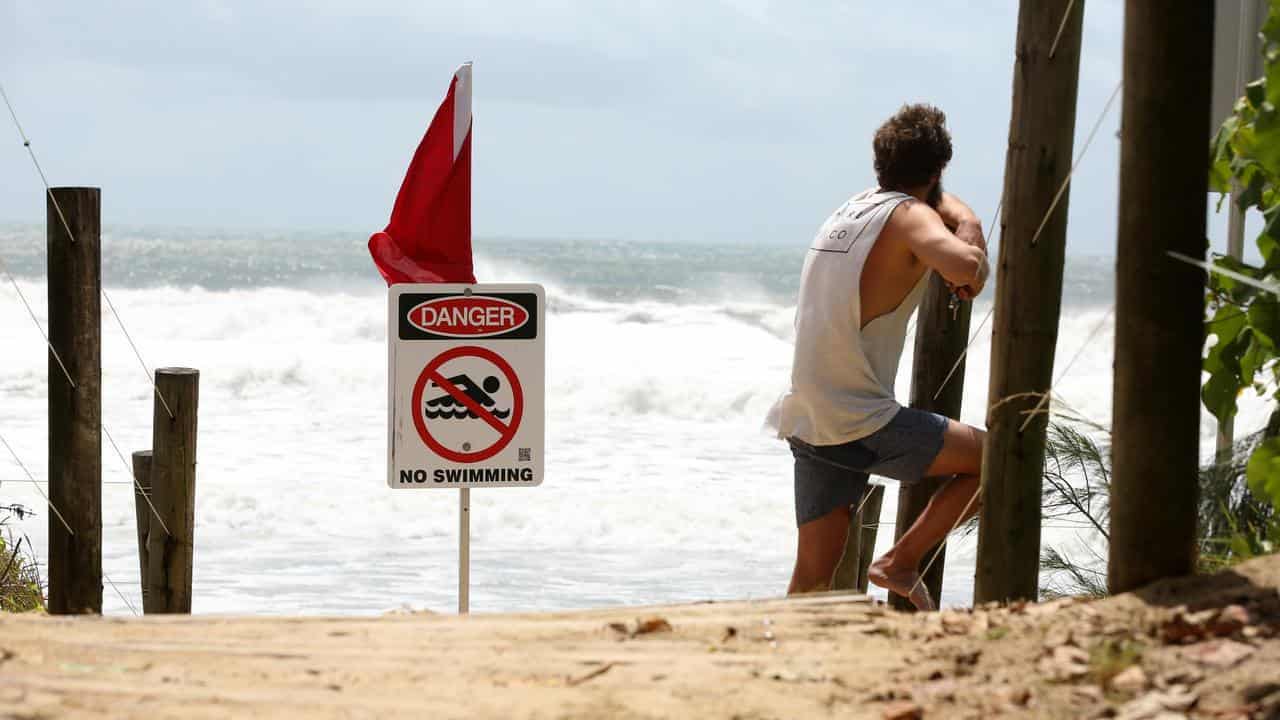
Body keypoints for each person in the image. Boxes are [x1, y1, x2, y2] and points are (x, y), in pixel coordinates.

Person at [765, 103, 990, 611]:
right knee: (996, 461)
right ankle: (899, 562)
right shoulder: (911, 217)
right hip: (861, 420)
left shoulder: (854, 208)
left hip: (809, 414)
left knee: (810, 582)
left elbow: (929, 208)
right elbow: (967, 270)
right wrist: (971, 231)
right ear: (936, 171)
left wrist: (957, 211)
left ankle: (769, 656)